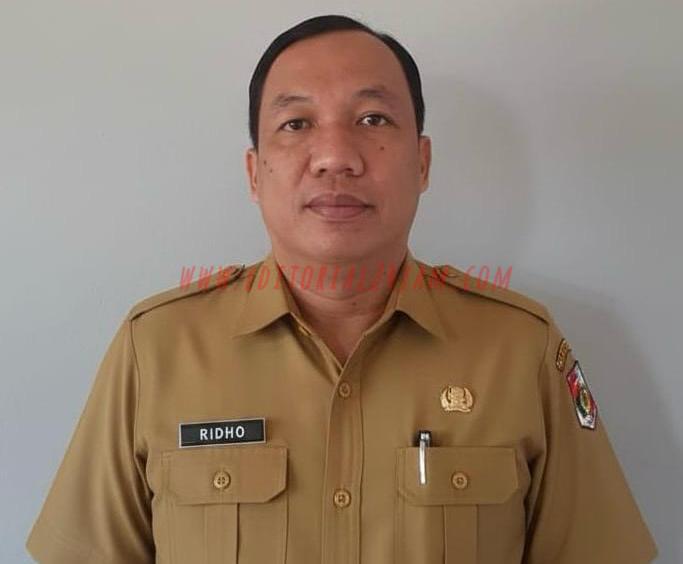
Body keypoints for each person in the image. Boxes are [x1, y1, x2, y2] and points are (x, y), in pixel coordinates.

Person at [26, 14, 657, 564]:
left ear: (422, 162)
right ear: (254, 172)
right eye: (296, 123)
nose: (335, 156)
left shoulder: (520, 349)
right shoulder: (156, 348)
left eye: (372, 118)